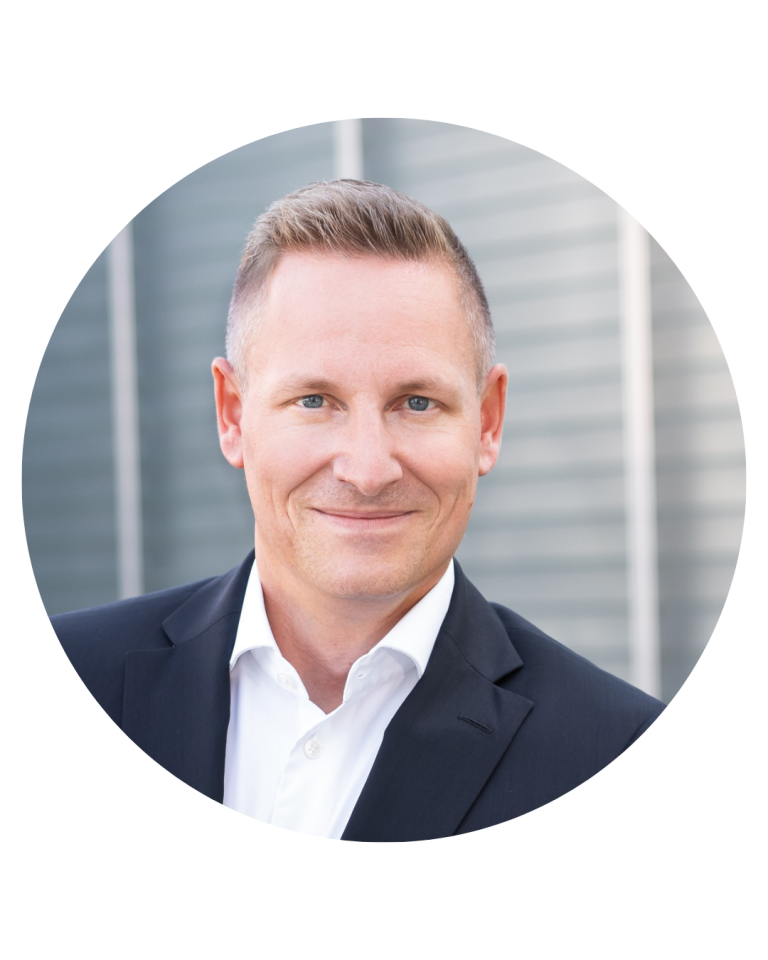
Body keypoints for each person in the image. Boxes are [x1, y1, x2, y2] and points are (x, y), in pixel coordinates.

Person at [52, 180, 665, 840]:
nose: (368, 471)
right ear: (232, 414)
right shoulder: (81, 670)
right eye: (315, 401)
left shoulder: (609, 747)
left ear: (488, 422)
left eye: (417, 403)